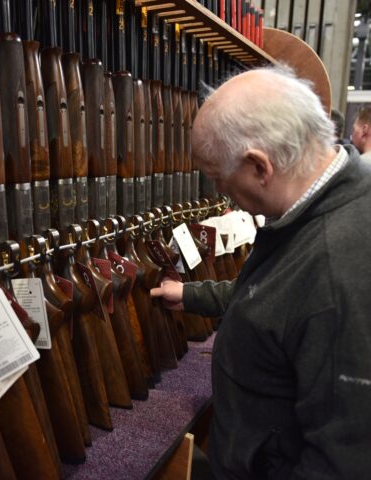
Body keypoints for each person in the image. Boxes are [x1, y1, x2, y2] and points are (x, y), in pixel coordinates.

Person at [151, 66, 371, 479]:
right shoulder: (320, 210)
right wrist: (192, 295)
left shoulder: (337, 268)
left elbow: (345, 460)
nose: (219, 193)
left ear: (259, 167)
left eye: (219, 177)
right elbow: (277, 297)